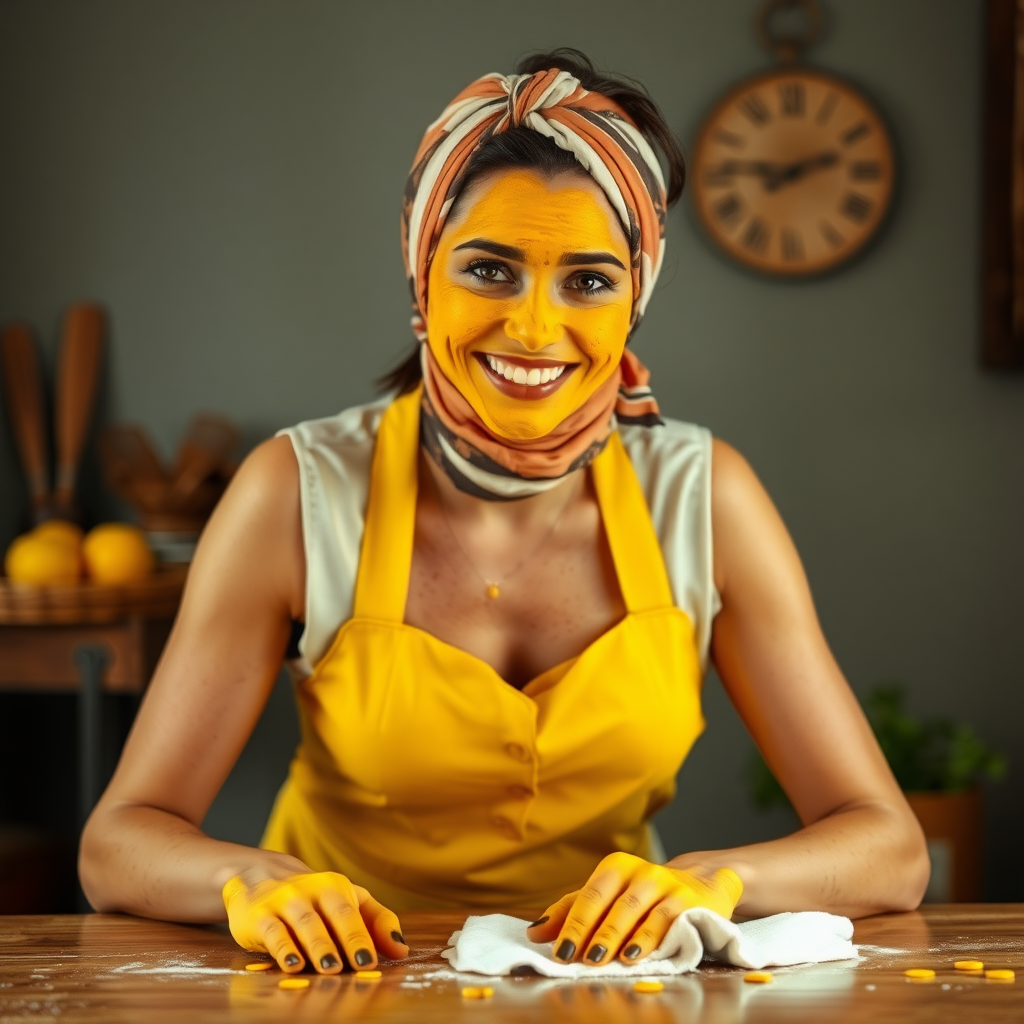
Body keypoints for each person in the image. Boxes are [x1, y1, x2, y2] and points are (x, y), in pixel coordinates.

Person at [80, 48, 928, 975]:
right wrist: (250, 881)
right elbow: (119, 842)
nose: (532, 329)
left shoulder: (705, 496)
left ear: (633, 300)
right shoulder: (296, 493)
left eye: (590, 281)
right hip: (336, 989)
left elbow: (889, 848)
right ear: (422, 274)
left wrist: (713, 878)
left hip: (612, 987)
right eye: (489, 270)